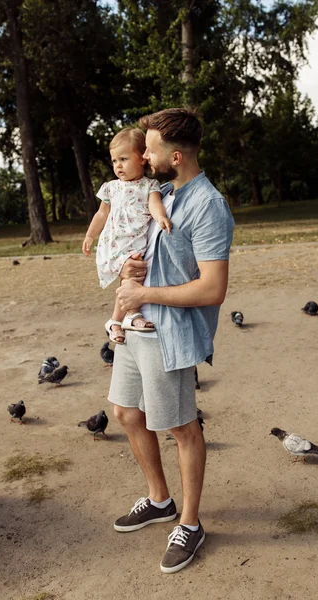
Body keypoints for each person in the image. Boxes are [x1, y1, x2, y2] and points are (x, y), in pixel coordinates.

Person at [109, 108, 235, 574]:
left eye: (152, 149)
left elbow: (212, 288)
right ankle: (160, 499)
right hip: (137, 325)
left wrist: (143, 293)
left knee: (182, 428)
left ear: (176, 156)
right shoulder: (161, 192)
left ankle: (190, 522)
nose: (142, 154)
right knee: (125, 413)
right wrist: (130, 274)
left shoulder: (207, 205)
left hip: (171, 335)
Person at [82, 127, 172, 344]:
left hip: (135, 241)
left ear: (142, 157)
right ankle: (132, 315)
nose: (118, 166)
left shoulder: (150, 185)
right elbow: (101, 213)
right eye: (114, 161)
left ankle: (115, 321)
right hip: (114, 243)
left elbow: (154, 204)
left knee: (131, 276)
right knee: (130, 275)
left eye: (123, 158)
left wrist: (161, 218)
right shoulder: (111, 188)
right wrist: (90, 235)